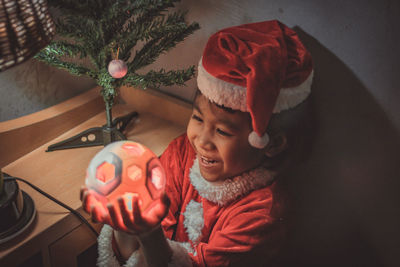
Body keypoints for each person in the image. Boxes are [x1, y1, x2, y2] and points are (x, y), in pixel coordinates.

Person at [81, 19, 313, 267]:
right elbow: (134, 252)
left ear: (272, 143)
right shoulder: (182, 154)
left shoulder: (261, 215)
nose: (202, 141)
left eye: (222, 131)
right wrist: (123, 226)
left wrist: (149, 235)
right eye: (198, 118)